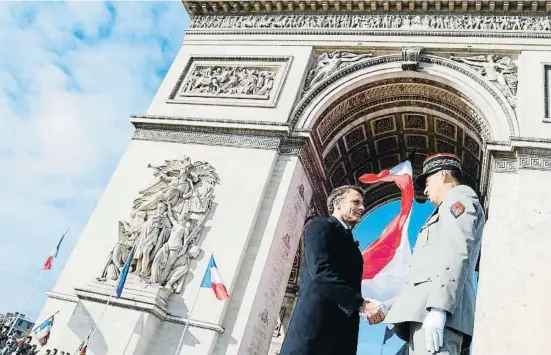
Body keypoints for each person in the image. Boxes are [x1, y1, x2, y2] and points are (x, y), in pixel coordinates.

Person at [376, 153, 485, 355]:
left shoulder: (459, 199)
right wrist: (387, 305)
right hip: (425, 314)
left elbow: (456, 252)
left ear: (444, 176)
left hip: (436, 315)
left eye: (427, 181)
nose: (425, 190)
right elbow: (423, 280)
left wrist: (439, 309)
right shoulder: (446, 208)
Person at [280, 185, 382, 355]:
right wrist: (361, 304)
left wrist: (361, 301)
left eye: (362, 204)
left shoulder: (349, 240)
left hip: (339, 336)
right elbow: (322, 274)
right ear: (337, 203)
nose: (362, 208)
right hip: (316, 332)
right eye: (356, 202)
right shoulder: (319, 226)